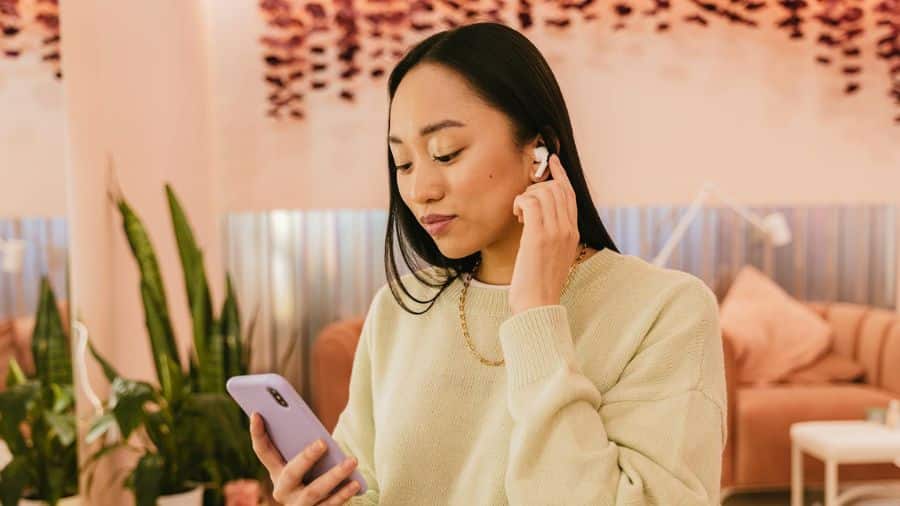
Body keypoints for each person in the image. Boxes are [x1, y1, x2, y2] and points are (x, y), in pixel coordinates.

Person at [250, 21, 726, 506]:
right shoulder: (399, 311)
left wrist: (536, 317)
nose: (420, 190)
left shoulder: (667, 312)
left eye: (446, 153)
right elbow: (370, 489)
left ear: (539, 152)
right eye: (404, 163)